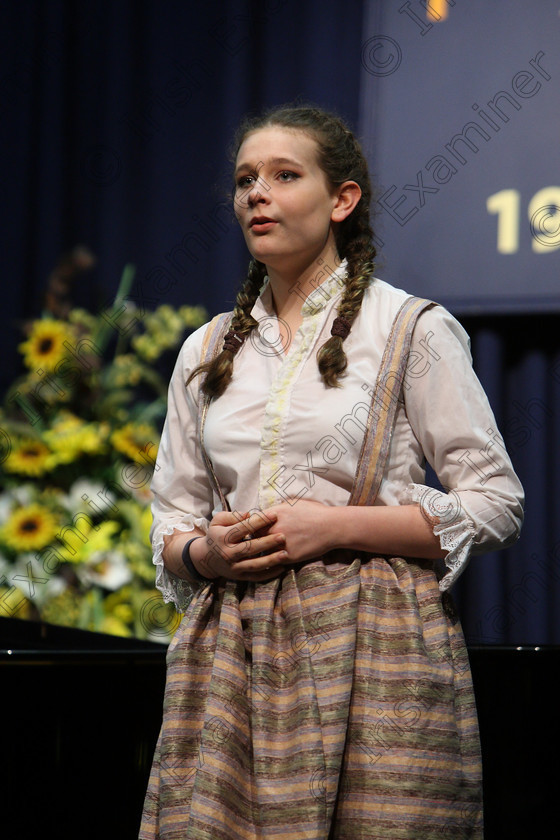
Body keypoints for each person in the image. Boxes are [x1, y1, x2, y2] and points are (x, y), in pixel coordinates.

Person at [139, 105, 523, 840]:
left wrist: (335, 526)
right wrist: (205, 552)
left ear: (341, 200)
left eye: (285, 176)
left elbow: (497, 503)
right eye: (246, 179)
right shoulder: (208, 348)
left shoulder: (410, 328)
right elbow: (171, 515)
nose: (258, 193)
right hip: (234, 651)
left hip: (377, 643)